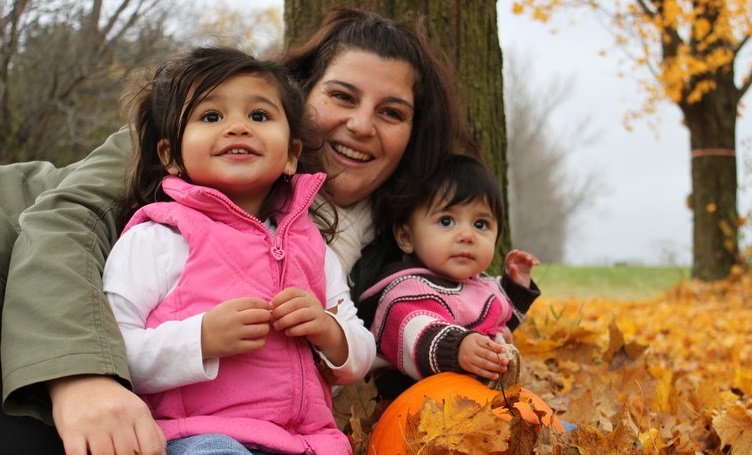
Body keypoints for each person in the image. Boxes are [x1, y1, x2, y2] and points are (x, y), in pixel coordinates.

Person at [0, 8, 478, 455]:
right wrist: (81, 375)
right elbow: (62, 228)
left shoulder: (399, 238)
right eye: (341, 96)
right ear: (299, 96)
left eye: (391, 113)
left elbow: (365, 339)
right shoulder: (193, 143)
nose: (359, 125)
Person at [103, 46, 374, 454]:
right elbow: (114, 352)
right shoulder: (158, 238)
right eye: (211, 116)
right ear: (171, 156)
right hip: (199, 436)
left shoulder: (310, 245)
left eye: (259, 115)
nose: (238, 128)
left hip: (307, 441)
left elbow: (360, 354)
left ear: (291, 155)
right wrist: (201, 339)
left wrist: (327, 330)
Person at [360, 154, 541, 399]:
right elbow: (415, 332)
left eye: (480, 224)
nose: (467, 235)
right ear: (406, 237)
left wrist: (516, 287)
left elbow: (498, 319)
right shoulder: (405, 291)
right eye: (446, 221)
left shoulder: (479, 285)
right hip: (418, 412)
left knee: (541, 418)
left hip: (477, 405)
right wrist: (457, 349)